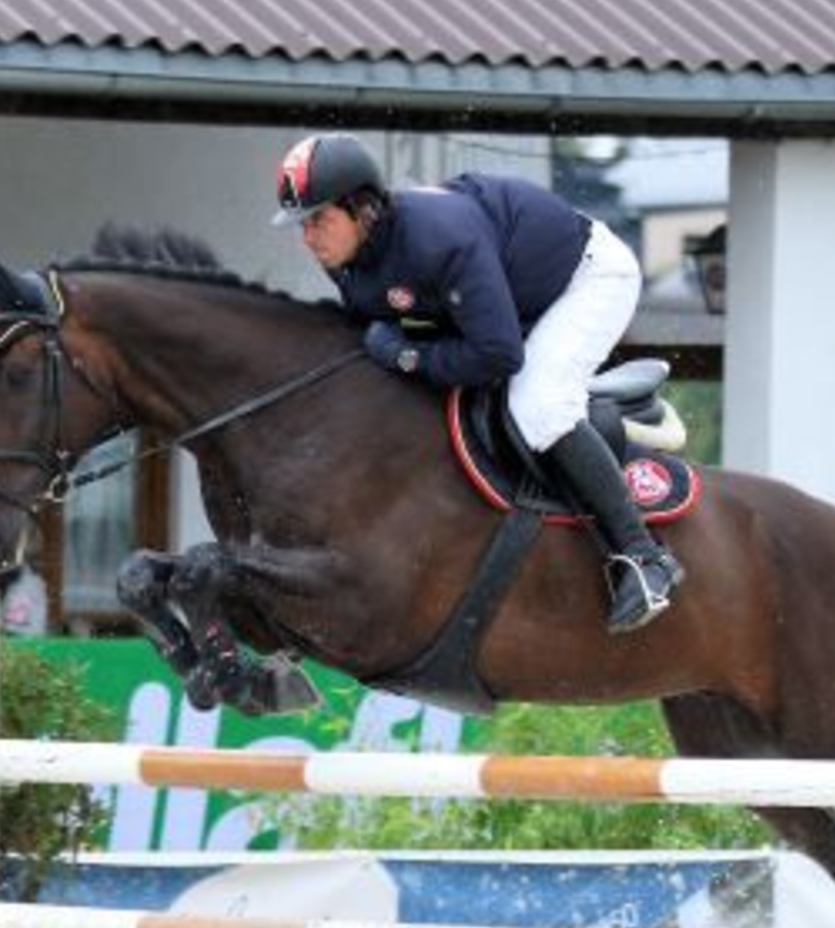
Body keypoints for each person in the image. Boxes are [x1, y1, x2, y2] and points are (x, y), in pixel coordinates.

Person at [271, 133, 683, 634]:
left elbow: (498, 356)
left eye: (318, 219)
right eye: (302, 223)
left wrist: (406, 356)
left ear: (361, 209)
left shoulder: (438, 239)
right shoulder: (350, 258)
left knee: (538, 405)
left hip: (589, 279)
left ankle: (644, 558)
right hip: (514, 294)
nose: (308, 238)